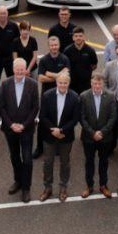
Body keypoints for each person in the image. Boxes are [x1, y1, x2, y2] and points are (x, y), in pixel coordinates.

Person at [0, 59, 39, 203]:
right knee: (14, 157)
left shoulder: (32, 84)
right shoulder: (5, 84)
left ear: (25, 70)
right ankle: (18, 181)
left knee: (27, 159)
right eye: (17, 69)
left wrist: (24, 125)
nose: (20, 72)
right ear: (13, 69)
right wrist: (11, 125)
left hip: (26, 129)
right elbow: (1, 107)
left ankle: (26, 188)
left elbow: (35, 108)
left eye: (22, 69)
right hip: (10, 130)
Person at [39, 72, 81, 202]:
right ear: (56, 83)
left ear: (68, 84)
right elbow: (43, 116)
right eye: (60, 82)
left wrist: (61, 130)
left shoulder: (75, 97)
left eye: (65, 83)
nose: (62, 85)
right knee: (48, 162)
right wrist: (54, 130)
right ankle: (47, 188)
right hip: (49, 134)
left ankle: (63, 187)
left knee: (65, 162)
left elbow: (75, 119)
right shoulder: (47, 95)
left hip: (65, 136)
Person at [79, 72, 117, 199]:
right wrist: (92, 132)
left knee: (103, 162)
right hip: (88, 138)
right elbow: (82, 118)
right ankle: (89, 186)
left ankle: (103, 185)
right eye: (94, 83)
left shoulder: (111, 96)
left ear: (103, 84)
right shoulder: (84, 96)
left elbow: (113, 117)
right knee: (89, 162)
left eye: (99, 83)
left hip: (105, 138)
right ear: (91, 83)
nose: (97, 86)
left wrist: (102, 132)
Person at [34, 36, 71, 158]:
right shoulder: (44, 60)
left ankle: (58, 147)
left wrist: (49, 74)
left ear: (59, 45)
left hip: (61, 95)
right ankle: (39, 148)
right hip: (47, 96)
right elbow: (40, 78)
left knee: (60, 121)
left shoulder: (64, 58)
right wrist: (59, 76)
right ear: (49, 46)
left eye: (56, 45)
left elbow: (67, 76)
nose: (54, 47)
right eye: (52, 45)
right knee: (42, 122)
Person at [0, 5, 20, 80]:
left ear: (7, 14)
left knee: (12, 80)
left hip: (10, 59)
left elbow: (18, 43)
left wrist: (17, 58)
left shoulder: (13, 26)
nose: (3, 15)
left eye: (4, 13)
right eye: (1, 13)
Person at [63, 26, 98, 95]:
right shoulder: (67, 51)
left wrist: (86, 72)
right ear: (73, 38)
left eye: (80, 36)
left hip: (86, 85)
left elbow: (94, 65)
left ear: (84, 37)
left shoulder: (90, 51)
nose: (78, 38)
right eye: (76, 36)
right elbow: (65, 66)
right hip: (72, 84)